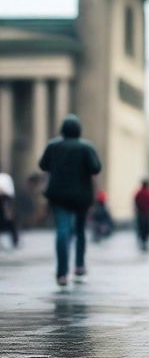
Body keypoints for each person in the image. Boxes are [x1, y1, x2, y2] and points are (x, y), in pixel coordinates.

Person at [38, 114, 102, 286]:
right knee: (80, 230)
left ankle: (62, 274)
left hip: (58, 196)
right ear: (79, 130)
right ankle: (79, 266)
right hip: (82, 196)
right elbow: (96, 169)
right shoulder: (86, 147)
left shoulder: (53, 146)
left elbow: (43, 166)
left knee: (62, 231)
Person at [134, 178, 149, 252]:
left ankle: (142, 239)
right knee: (147, 227)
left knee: (141, 227)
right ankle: (146, 240)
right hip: (147, 213)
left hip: (140, 213)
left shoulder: (139, 193)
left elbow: (135, 201)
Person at [0, 169, 19, 249]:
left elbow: (9, 192)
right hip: (6, 200)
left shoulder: (5, 177)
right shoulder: (6, 177)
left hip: (5, 201)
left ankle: (15, 241)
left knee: (10, 220)